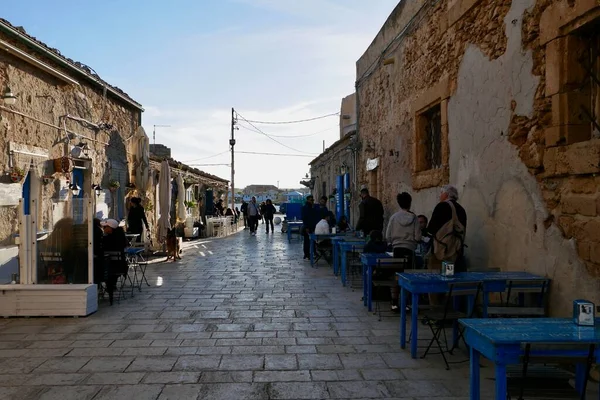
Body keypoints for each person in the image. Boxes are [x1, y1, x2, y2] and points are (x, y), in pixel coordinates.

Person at [427, 185, 467, 305]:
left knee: (434, 281)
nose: (440, 196)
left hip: (440, 252)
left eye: (441, 193)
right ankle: (448, 309)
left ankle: (436, 312)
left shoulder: (442, 206)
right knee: (449, 281)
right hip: (455, 253)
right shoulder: (461, 209)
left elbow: (431, 229)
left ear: (446, 195)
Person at [385, 192, 421, 260]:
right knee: (409, 270)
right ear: (410, 203)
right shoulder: (414, 218)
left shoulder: (393, 217)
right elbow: (418, 237)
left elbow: (387, 236)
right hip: (410, 248)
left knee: (398, 269)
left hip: (396, 249)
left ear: (399, 203)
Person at [101, 219, 128, 305]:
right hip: (120, 267)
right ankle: (112, 285)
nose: (103, 228)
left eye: (105, 227)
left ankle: (106, 287)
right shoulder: (121, 238)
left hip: (107, 268)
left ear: (110, 228)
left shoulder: (105, 239)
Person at [301, 195, 317, 260]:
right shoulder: (305, 208)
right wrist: (306, 227)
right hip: (307, 226)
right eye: (311, 200)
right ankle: (307, 254)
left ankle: (309, 253)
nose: (312, 201)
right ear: (307, 200)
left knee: (311, 241)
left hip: (312, 226)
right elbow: (304, 218)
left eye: (313, 200)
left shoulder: (312, 207)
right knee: (307, 241)